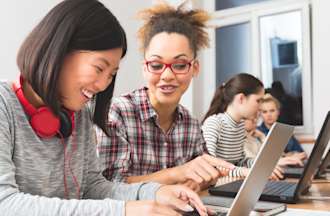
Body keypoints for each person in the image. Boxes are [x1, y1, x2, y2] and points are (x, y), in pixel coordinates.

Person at [0, 1, 210, 215]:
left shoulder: (78, 115)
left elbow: (93, 188)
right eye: (99, 68)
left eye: (110, 75)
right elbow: (4, 204)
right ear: (59, 50)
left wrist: (156, 193)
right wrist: (124, 210)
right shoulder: (3, 104)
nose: (102, 85)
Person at [96, 2, 235, 192]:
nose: (167, 75)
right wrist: (177, 173)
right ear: (145, 68)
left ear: (194, 68)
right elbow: (108, 187)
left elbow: (207, 173)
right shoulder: (117, 113)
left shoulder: (190, 124)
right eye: (156, 65)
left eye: (179, 65)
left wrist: (196, 181)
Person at [202, 73, 283, 179]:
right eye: (258, 101)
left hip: (231, 183)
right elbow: (210, 166)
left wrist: (263, 167)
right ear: (241, 98)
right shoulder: (214, 123)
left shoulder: (240, 126)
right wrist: (245, 172)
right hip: (214, 187)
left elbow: (240, 162)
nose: (260, 108)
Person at [258, 94, 307, 161]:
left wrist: (293, 154)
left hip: (291, 167)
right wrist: (287, 156)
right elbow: (262, 159)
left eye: (272, 111)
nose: (269, 115)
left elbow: (302, 154)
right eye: (265, 112)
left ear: (278, 112)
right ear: (260, 114)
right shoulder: (257, 133)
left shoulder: (284, 131)